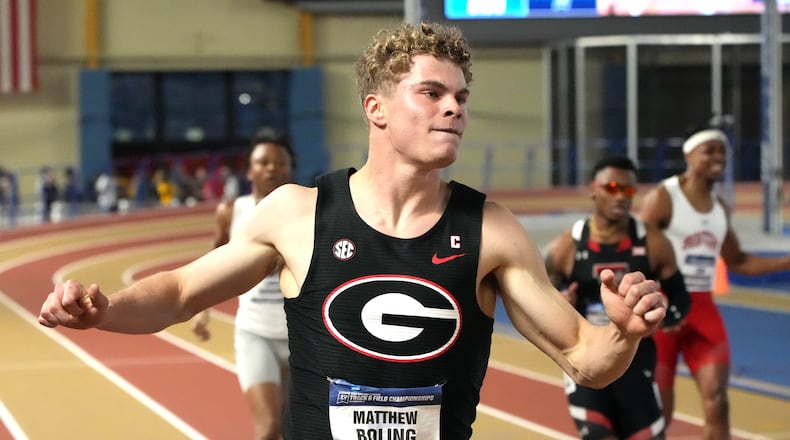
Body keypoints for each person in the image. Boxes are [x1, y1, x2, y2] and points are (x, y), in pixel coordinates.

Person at [38, 21, 667, 440]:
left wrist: (625, 332)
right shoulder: (296, 213)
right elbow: (178, 293)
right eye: (431, 92)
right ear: (376, 108)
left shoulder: (491, 230)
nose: (454, 107)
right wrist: (104, 309)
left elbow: (586, 360)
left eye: (461, 96)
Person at [639, 126, 790, 440]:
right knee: (659, 412)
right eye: (709, 151)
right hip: (663, 308)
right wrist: (654, 299)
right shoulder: (664, 197)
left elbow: (738, 261)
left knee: (718, 400)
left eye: (722, 151)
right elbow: (637, 254)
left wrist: (786, 261)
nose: (718, 157)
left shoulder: (720, 208)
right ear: (689, 156)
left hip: (702, 309)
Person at [544, 155, 690, 440]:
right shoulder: (566, 246)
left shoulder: (653, 243)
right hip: (586, 359)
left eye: (628, 189)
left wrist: (664, 319)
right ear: (593, 189)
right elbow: (542, 302)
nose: (621, 196)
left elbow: (680, 297)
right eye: (612, 187)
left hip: (638, 360)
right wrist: (561, 304)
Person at [191, 131, 295, 440]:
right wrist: (202, 308)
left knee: (296, 429)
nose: (272, 168)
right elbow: (214, 260)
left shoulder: (306, 210)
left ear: (290, 168)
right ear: (249, 170)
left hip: (301, 336)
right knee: (268, 429)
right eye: (263, 162)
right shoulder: (231, 212)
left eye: (280, 162)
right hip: (255, 333)